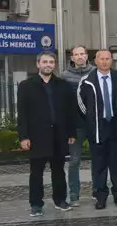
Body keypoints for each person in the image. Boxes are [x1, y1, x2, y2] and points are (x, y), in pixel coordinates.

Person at [18, 52, 77, 216]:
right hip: (37, 136)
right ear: (38, 64)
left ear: (54, 65)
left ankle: (60, 200)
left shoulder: (63, 85)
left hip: (59, 135)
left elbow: (70, 111)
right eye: (45, 62)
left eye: (51, 62)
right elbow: (22, 114)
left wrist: (71, 132)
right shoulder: (26, 86)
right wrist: (24, 136)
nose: (48, 65)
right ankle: (36, 204)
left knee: (59, 170)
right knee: (36, 172)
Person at [77, 49, 117, 209]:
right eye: (102, 59)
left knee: (116, 164)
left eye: (107, 59)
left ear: (111, 60)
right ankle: (100, 196)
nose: (105, 61)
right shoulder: (87, 80)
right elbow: (80, 103)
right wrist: (91, 119)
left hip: (115, 126)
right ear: (96, 61)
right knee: (99, 165)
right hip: (98, 128)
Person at [61, 45, 94, 207]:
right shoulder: (64, 76)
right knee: (74, 160)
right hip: (75, 125)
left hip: (94, 123)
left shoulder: (95, 72)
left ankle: (98, 190)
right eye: (76, 54)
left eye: (82, 53)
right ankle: (74, 194)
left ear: (87, 56)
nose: (80, 57)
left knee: (98, 159)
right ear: (72, 57)